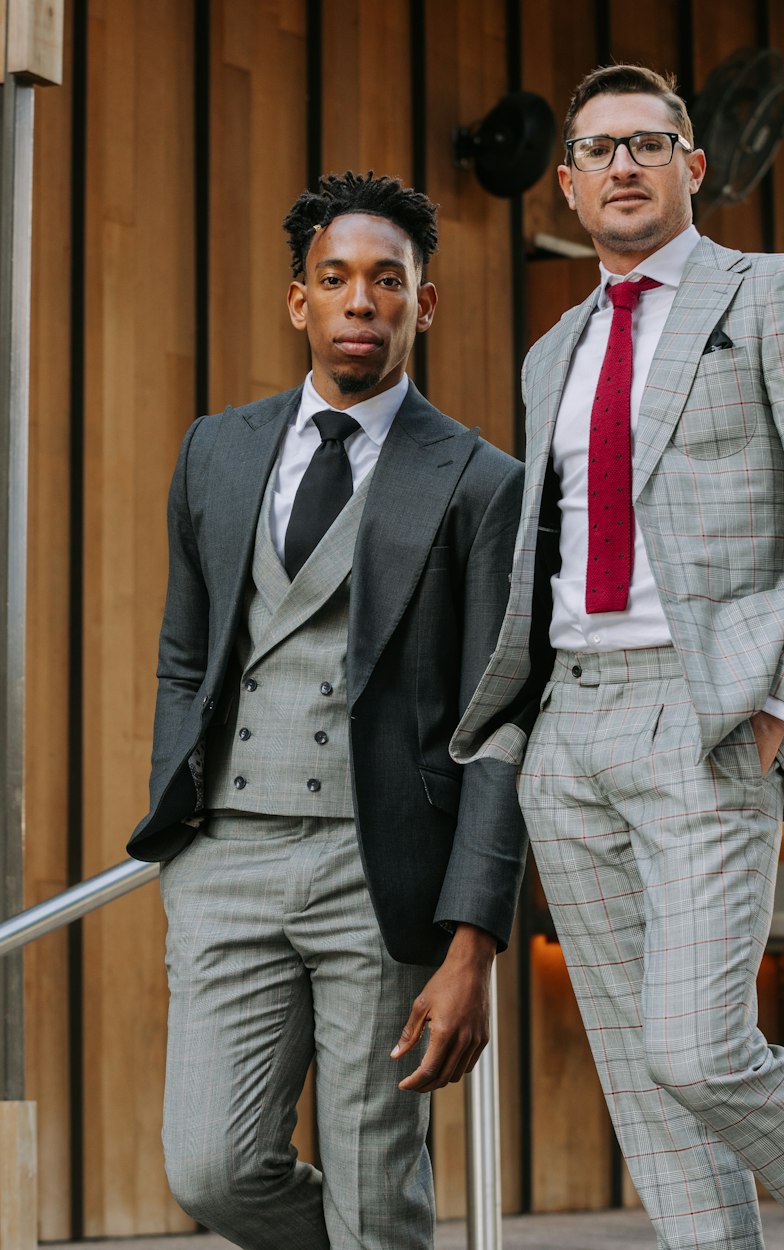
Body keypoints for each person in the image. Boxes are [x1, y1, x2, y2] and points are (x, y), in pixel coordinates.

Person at [452, 64, 784, 1250]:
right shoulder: (552, 353)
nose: (624, 167)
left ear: (695, 168)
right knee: (646, 1084)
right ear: (570, 182)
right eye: (598, 151)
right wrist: (524, 733)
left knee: (697, 1045)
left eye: (649, 144)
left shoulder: (772, 294)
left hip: (703, 711)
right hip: (569, 728)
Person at [128, 171, 527, 1250]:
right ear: (297, 300)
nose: (363, 301)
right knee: (210, 1164)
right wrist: (185, 822)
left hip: (379, 869)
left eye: (387, 280)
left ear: (423, 304)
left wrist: (471, 942)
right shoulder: (216, 448)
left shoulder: (482, 480)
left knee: (372, 1168)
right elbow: (182, 653)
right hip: (226, 859)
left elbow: (499, 719)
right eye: (336, 278)